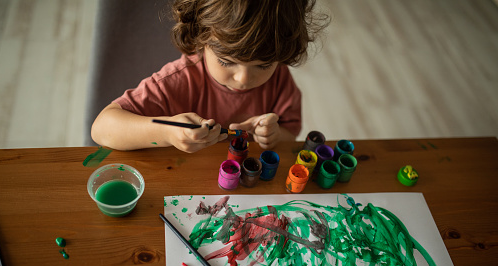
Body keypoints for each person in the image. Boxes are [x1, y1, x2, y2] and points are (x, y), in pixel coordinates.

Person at [91, 0, 329, 152]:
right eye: (227, 62)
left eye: (263, 65)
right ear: (200, 37)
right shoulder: (180, 80)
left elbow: (290, 137)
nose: (244, 79)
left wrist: (272, 137)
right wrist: (168, 132)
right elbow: (102, 128)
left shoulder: (280, 78)